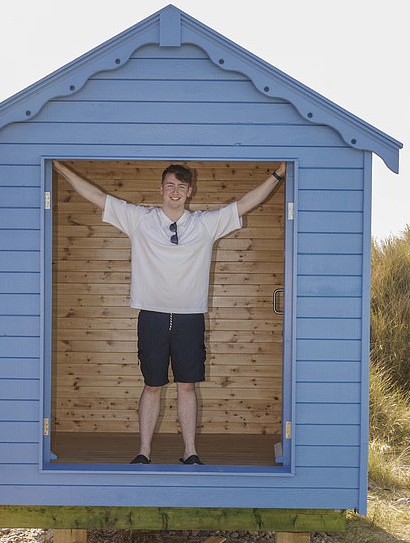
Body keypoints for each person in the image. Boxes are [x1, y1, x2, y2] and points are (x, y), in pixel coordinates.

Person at [53, 160, 286, 465]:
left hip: (190, 317)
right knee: (152, 386)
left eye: (181, 187)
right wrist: (61, 169)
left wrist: (278, 174)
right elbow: (97, 197)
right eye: (170, 185)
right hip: (152, 316)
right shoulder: (139, 219)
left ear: (190, 192)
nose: (175, 192)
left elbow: (244, 203)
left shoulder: (204, 224)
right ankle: (143, 452)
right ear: (161, 189)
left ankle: (190, 452)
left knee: (186, 386)